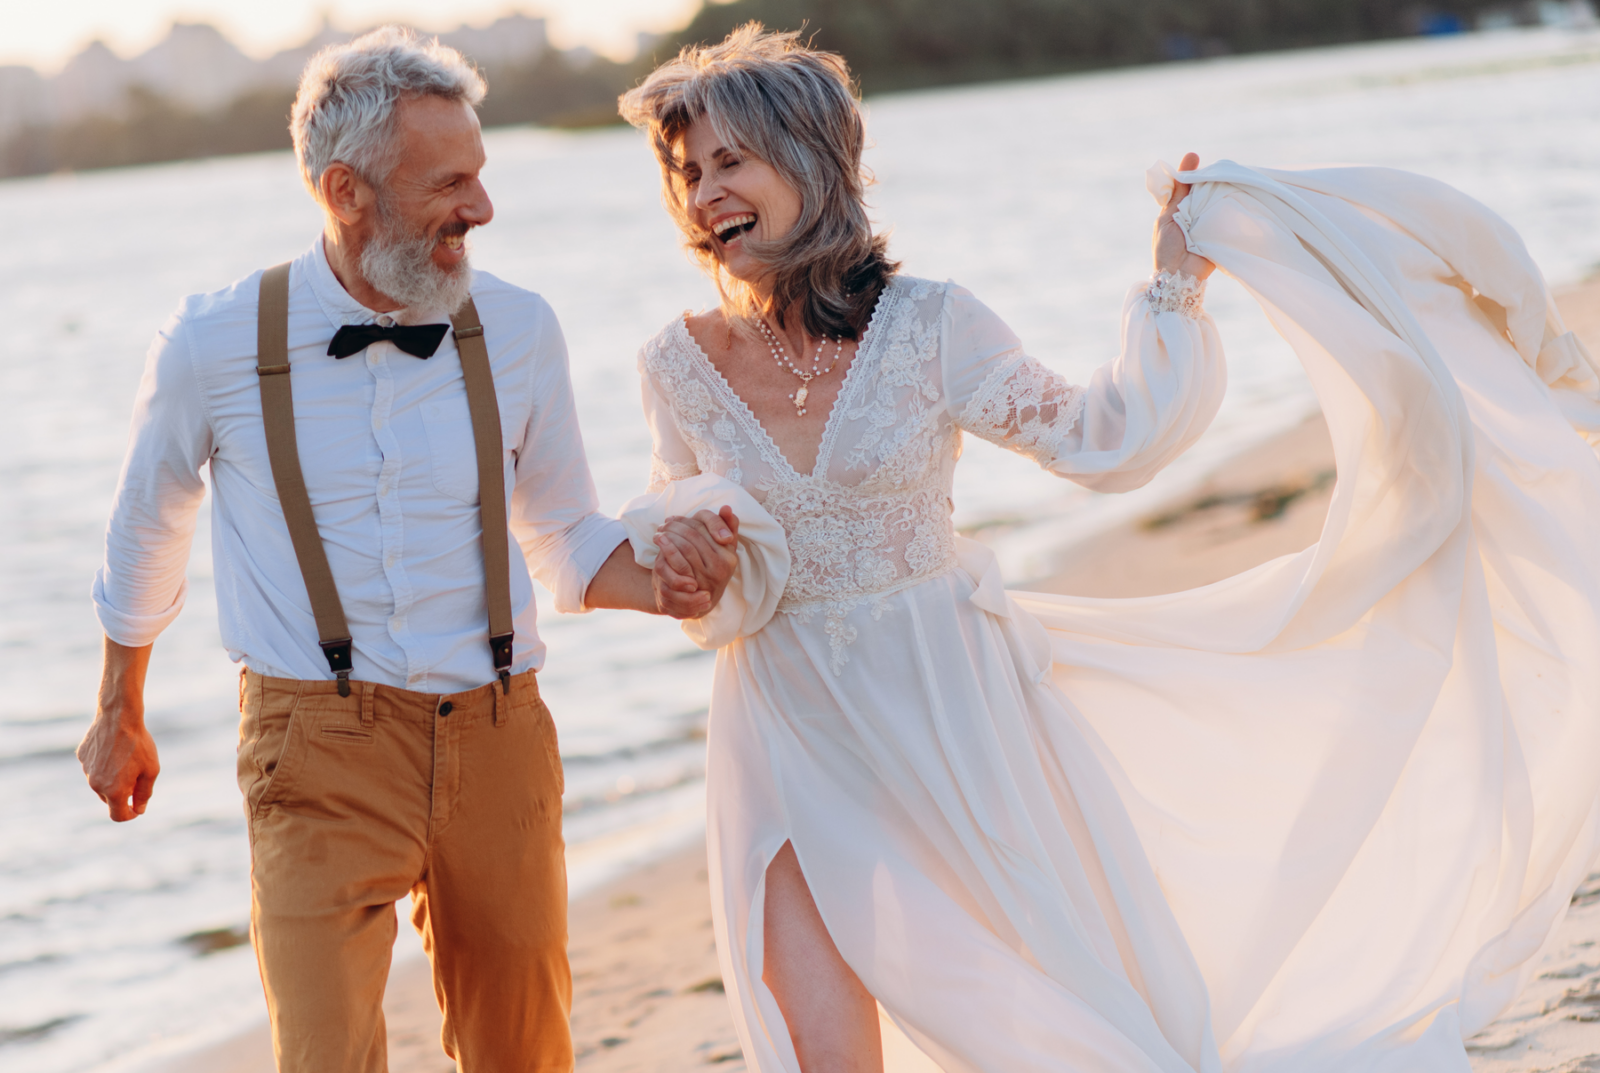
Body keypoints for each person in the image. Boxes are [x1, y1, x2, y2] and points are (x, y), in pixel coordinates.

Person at [620, 24, 1600, 1073]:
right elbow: (697, 561)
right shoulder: (673, 364)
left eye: (729, 161)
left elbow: (1106, 439)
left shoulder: (928, 326)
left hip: (949, 714)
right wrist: (686, 566)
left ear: (811, 161)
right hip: (780, 726)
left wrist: (1173, 287)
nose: (702, 192)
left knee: (1040, 1018)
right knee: (813, 1030)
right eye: (684, 171)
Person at [75, 27, 737, 1073]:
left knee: (524, 1051)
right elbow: (147, 524)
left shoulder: (521, 329)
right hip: (315, 747)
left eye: (480, 175)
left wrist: (668, 580)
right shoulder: (212, 342)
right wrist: (119, 707)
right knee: (324, 1053)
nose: (481, 209)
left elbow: (564, 533)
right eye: (451, 183)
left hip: (500, 735)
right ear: (346, 192)